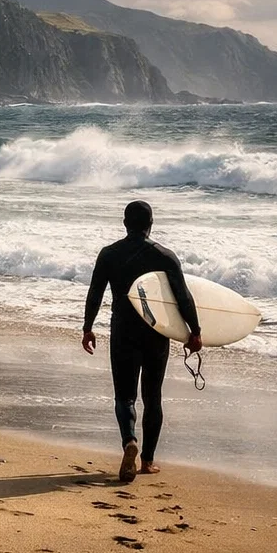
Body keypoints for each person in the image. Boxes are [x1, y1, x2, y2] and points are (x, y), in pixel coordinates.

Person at [81, 200, 201, 483]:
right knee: (152, 396)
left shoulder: (109, 254)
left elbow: (95, 292)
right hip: (155, 332)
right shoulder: (165, 256)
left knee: (124, 396)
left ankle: (128, 441)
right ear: (151, 224)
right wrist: (194, 331)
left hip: (123, 329)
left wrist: (87, 327)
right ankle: (147, 461)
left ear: (124, 223)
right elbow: (183, 297)